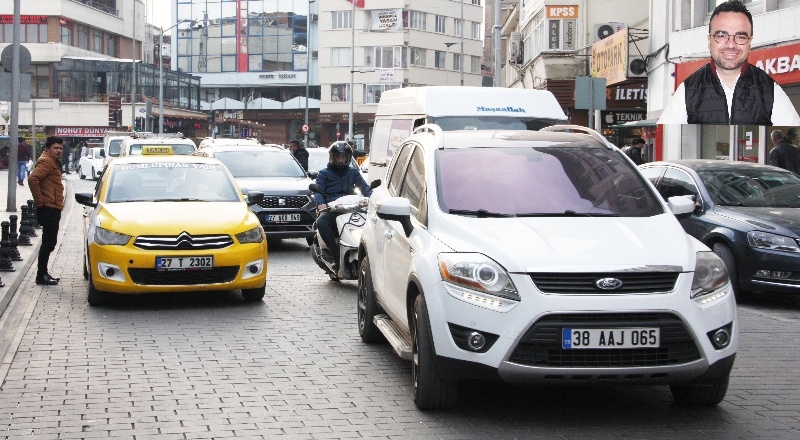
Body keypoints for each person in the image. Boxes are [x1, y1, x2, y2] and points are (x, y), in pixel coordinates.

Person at [658, 0, 800, 125]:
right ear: (709, 40)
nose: (731, 44)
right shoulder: (687, 91)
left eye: (740, 36)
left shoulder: (771, 91)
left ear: (750, 42)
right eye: (721, 35)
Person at [314, 141, 372, 269]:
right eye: (338, 157)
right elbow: (317, 191)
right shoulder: (324, 174)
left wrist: (372, 197)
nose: (340, 160)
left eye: (343, 157)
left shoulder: (353, 173)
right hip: (333, 209)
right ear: (332, 157)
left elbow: (364, 187)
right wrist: (321, 204)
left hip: (352, 208)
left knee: (372, 222)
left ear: (348, 158)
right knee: (321, 223)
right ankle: (335, 254)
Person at [28, 136, 66, 286]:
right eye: (56, 148)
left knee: (49, 242)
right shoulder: (46, 161)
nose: (59, 151)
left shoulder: (52, 161)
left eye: (60, 148)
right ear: (48, 148)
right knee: (48, 243)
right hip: (48, 207)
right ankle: (41, 275)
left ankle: (43, 274)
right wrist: (40, 201)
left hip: (53, 206)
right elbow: (33, 179)